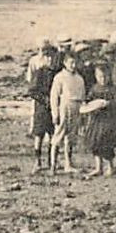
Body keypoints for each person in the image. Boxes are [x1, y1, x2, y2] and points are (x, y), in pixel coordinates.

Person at [48, 52, 87, 174]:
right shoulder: (59, 77)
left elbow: (83, 96)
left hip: (77, 106)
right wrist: (55, 113)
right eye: (71, 62)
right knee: (58, 135)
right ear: (65, 63)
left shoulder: (80, 78)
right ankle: (53, 165)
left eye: (75, 62)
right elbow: (54, 96)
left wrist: (83, 113)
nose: (73, 65)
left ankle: (68, 164)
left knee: (71, 137)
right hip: (64, 106)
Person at [26, 43, 60, 173]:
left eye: (51, 57)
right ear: (43, 58)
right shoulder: (39, 72)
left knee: (53, 134)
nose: (49, 60)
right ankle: (37, 161)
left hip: (53, 107)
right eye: (47, 57)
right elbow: (32, 91)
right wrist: (44, 100)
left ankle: (52, 163)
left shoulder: (57, 73)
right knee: (39, 135)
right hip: (41, 107)